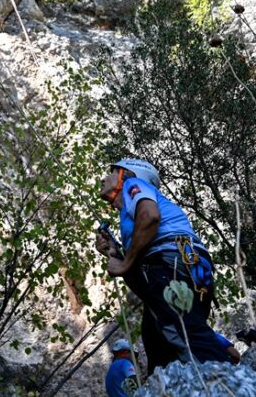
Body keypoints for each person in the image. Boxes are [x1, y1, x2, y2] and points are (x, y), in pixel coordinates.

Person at [95, 158, 233, 373]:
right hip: (188, 267)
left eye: (112, 172)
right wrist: (116, 254)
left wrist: (125, 263)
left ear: (126, 175)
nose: (105, 178)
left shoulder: (134, 185)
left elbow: (150, 217)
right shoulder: (131, 218)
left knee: (187, 338)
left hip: (171, 264)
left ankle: (228, 385)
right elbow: (146, 288)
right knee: (161, 348)